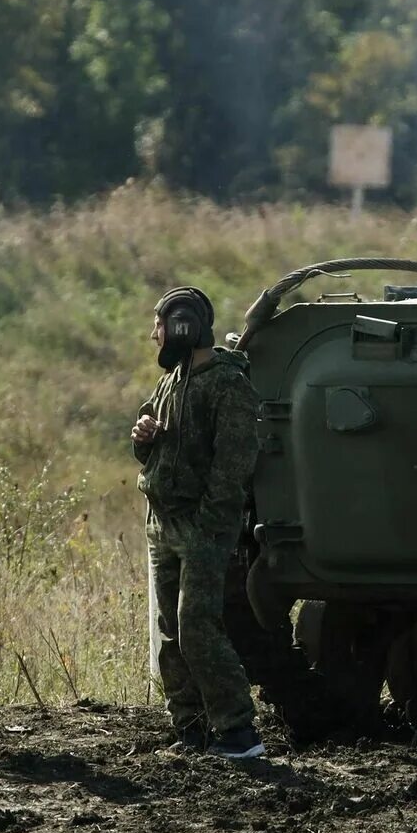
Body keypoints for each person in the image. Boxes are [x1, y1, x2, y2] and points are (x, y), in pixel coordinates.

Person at [131, 286, 265, 760]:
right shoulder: (173, 380)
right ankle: (190, 726)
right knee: (171, 631)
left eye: (160, 325)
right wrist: (143, 435)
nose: (154, 335)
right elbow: (149, 437)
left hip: (202, 528)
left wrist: (210, 528)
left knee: (197, 629)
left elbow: (233, 469)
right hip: (161, 523)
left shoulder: (228, 384)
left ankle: (238, 732)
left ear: (183, 325)